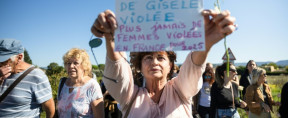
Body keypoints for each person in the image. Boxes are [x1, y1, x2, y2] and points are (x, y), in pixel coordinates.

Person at [91, 9, 237, 117]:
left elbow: (192, 70)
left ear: (171, 66)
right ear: (140, 66)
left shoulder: (180, 91)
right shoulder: (130, 96)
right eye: (148, 57)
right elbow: (118, 73)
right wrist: (111, 38)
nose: (154, 62)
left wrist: (204, 43)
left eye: (161, 57)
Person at [0, 38, 55, 118]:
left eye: (4, 61)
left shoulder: (37, 76)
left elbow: (50, 110)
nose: (0, 64)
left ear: (19, 58)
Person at [57, 48, 105, 117]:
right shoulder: (63, 83)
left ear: (84, 65)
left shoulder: (92, 85)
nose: (71, 66)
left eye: (75, 63)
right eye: (68, 63)